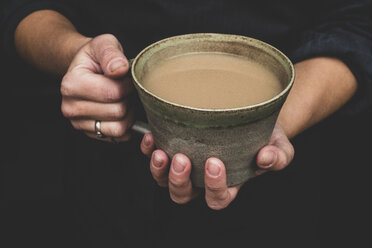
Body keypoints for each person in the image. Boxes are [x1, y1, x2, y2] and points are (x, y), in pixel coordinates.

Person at [1, 0, 371, 247]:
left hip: (280, 200)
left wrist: (268, 123)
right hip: (105, 183)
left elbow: (360, 21)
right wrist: (71, 51)